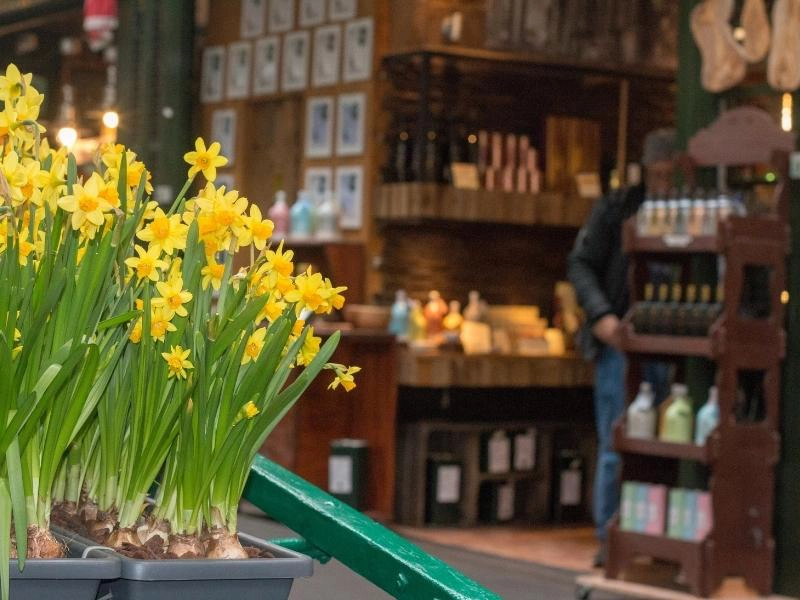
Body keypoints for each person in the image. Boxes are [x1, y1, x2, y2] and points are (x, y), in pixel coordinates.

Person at [567, 128, 677, 567]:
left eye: (672, 174)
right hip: (622, 340)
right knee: (618, 442)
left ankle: (659, 538)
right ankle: (610, 539)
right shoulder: (618, 207)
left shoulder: (691, 208)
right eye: (660, 173)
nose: (665, 182)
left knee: (670, 444)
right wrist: (601, 316)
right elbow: (580, 262)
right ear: (648, 171)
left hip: (675, 341)